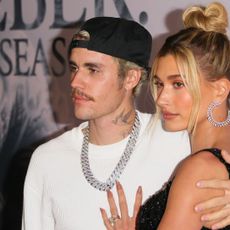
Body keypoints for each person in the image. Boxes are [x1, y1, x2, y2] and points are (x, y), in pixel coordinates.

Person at [22, 16, 230, 230]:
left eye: (93, 70)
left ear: (131, 78)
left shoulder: (178, 135)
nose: (75, 82)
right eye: (74, 67)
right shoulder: (46, 160)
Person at [100, 2, 230, 229]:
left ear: (220, 90)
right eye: (159, 84)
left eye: (178, 84)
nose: (161, 99)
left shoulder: (200, 170)